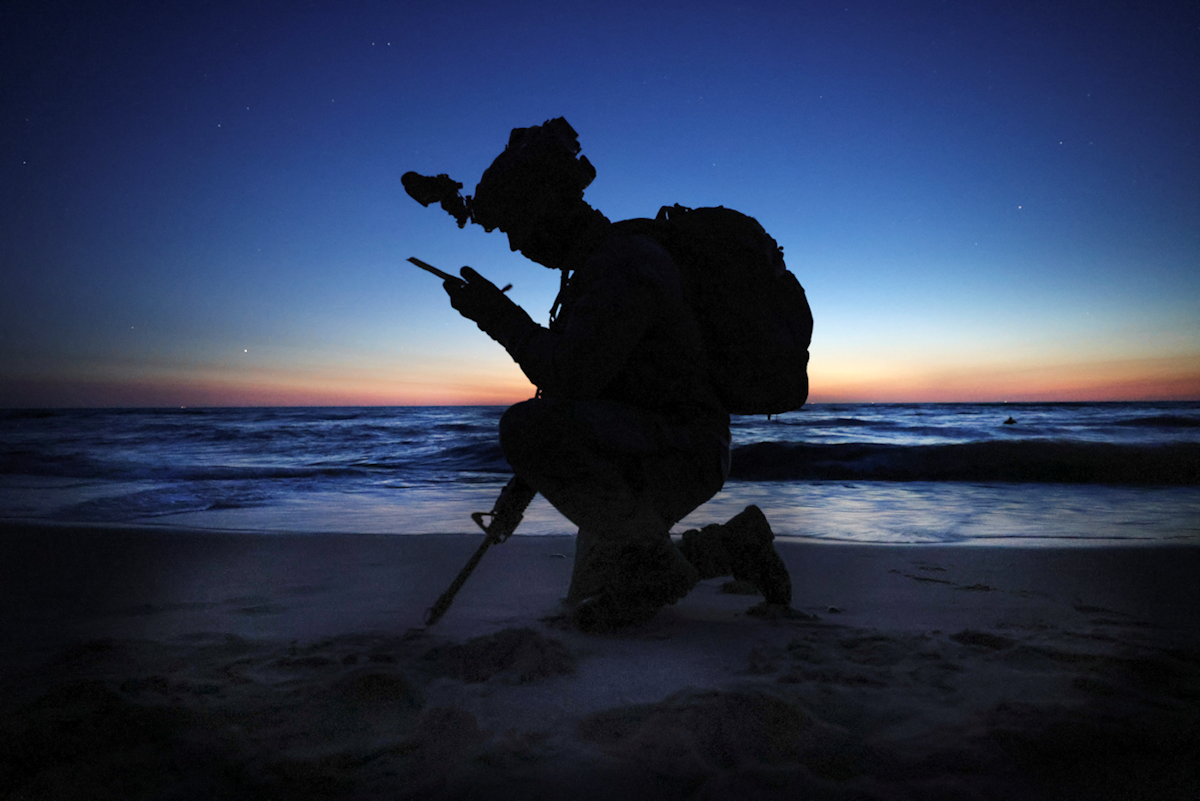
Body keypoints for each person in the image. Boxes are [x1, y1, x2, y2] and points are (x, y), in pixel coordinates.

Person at [404, 118, 792, 632]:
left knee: (524, 428)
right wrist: (525, 484)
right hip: (650, 443)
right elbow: (586, 397)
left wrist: (496, 316)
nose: (516, 245)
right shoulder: (598, 265)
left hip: (679, 449)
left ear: (547, 202)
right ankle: (735, 545)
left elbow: (571, 376)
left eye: (517, 224)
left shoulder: (626, 263)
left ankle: (651, 570)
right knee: (598, 589)